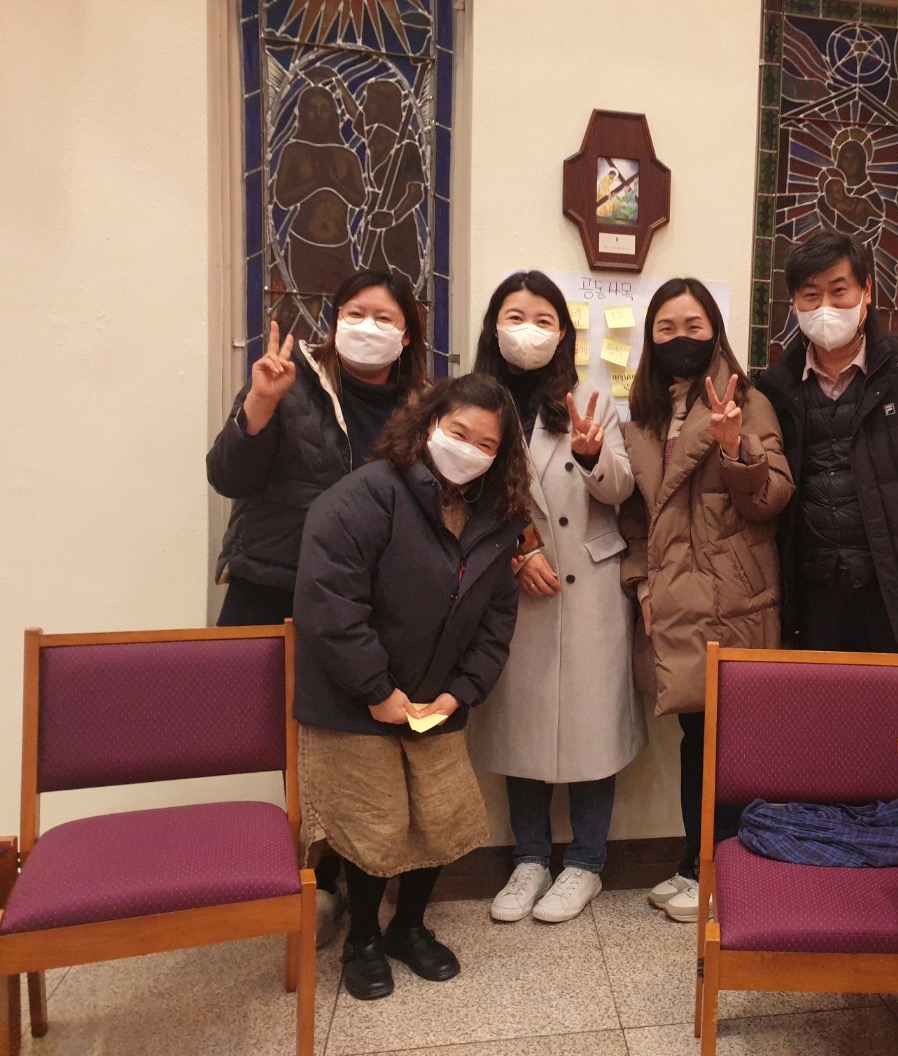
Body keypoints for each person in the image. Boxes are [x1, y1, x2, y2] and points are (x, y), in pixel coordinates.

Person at [207, 269, 427, 942]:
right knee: (292, 746)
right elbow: (227, 476)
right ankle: (310, 880)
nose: (368, 327)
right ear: (333, 320)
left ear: (407, 334)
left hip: (366, 606)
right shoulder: (288, 381)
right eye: (355, 312)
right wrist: (259, 405)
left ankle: (355, 877)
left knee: (356, 741)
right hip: (276, 589)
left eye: (384, 317)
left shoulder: (423, 406)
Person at [293, 373, 529, 1001]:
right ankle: (364, 938)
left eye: (486, 444)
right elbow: (330, 605)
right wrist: (376, 690)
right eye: (458, 432)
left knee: (440, 818)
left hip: (435, 700)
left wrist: (463, 690)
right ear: (428, 425)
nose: (469, 449)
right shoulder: (363, 496)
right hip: (354, 701)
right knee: (375, 825)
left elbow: (497, 616)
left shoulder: (497, 517)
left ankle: (409, 927)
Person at [465, 271, 642, 925]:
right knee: (523, 725)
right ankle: (530, 859)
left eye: (543, 319)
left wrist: (594, 457)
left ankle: (587, 863)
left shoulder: (590, 396)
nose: (529, 331)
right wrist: (517, 551)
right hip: (513, 586)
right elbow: (462, 493)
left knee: (593, 727)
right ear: (493, 327)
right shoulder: (472, 403)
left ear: (563, 333)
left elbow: (621, 490)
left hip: (589, 586)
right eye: (515, 316)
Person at [620, 278, 794, 923]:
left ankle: (721, 872)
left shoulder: (748, 401)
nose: (681, 339)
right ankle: (697, 862)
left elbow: (772, 497)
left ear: (715, 330)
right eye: (666, 328)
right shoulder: (643, 414)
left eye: (693, 326)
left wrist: (733, 447)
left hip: (732, 599)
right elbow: (636, 519)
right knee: (698, 734)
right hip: (673, 597)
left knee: (730, 738)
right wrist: (641, 584)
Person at [756, 231, 898, 654]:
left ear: (866, 291)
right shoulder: (776, 386)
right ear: (794, 304)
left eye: (838, 290)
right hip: (811, 600)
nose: (825, 307)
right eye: (810, 295)